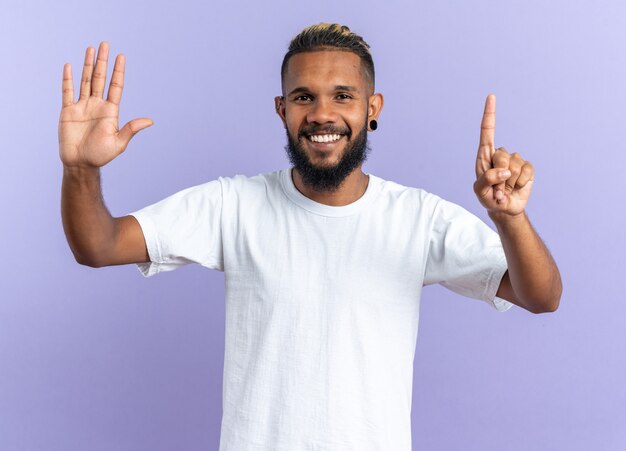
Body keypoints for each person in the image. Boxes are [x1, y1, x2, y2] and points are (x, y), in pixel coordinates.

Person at [59, 23, 561, 451]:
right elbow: (99, 247)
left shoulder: (417, 217)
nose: (322, 113)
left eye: (343, 95)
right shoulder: (233, 205)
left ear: (372, 108)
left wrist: (511, 220)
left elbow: (541, 296)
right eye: (305, 97)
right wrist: (79, 168)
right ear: (282, 109)